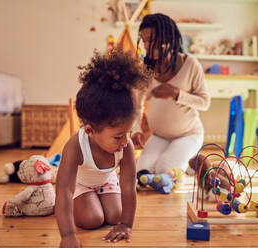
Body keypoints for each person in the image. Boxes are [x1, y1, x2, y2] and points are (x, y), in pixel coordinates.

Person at [55, 47, 149, 247]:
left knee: (115, 216)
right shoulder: (75, 146)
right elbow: (64, 191)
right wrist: (68, 235)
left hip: (106, 182)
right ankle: (76, 206)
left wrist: (126, 224)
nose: (125, 141)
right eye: (118, 136)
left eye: (128, 133)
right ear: (90, 131)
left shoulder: (126, 146)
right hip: (80, 185)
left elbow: (128, 187)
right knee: (92, 219)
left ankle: (102, 204)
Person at [132, 13, 211, 181]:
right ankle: (187, 165)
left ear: (168, 38)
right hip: (159, 136)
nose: (147, 45)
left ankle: (191, 165)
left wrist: (176, 94)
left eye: (151, 40)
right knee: (142, 173)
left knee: (164, 169)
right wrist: (136, 130)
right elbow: (136, 106)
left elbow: (204, 102)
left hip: (188, 134)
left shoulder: (190, 65)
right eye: (144, 40)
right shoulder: (145, 71)